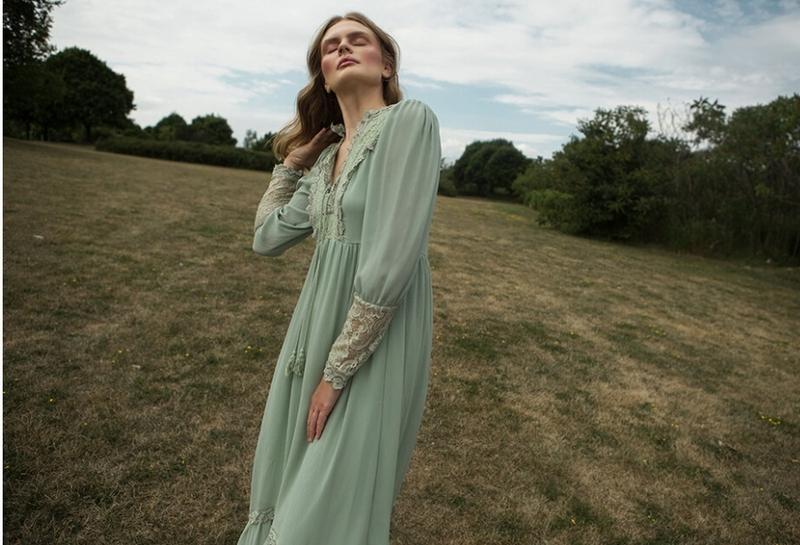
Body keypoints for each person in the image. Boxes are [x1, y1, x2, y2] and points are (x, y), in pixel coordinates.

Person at [236, 11, 442, 545]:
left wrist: (337, 372)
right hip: (312, 330)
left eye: (358, 40)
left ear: (386, 65)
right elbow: (266, 238)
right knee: (293, 475)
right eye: (331, 47)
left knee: (330, 492)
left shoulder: (409, 121)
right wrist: (292, 166)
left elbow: (393, 258)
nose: (343, 48)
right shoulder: (326, 159)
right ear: (324, 76)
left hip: (375, 333)